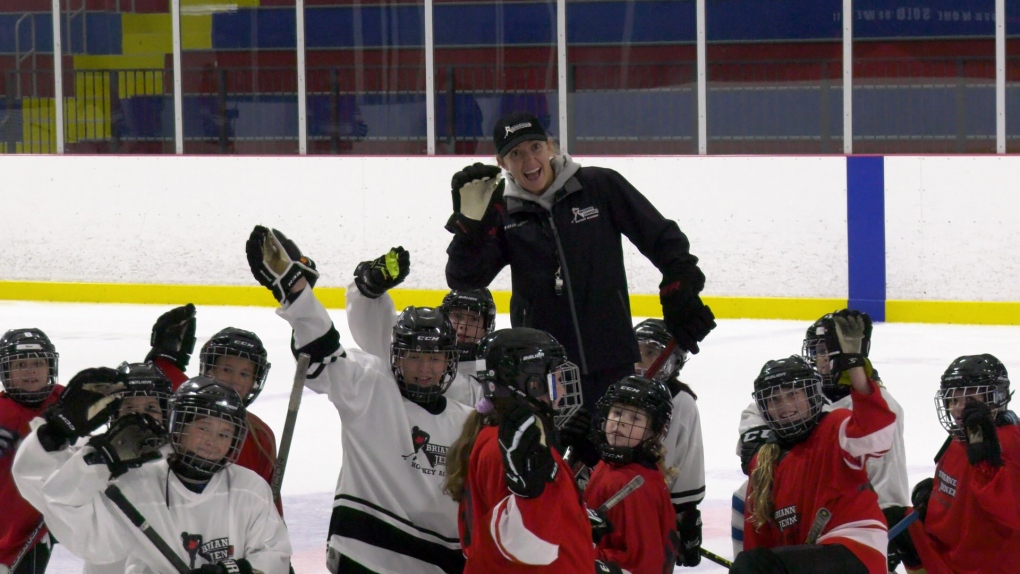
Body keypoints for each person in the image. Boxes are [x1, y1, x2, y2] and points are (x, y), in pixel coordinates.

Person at [444, 111, 716, 464]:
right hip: (541, 375)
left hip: (610, 360)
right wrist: (469, 230)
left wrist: (680, 290)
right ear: (502, 163)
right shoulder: (502, 212)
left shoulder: (600, 186)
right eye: (515, 154)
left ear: (552, 146)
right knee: (546, 472)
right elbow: (465, 280)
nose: (529, 161)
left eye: (535, 147)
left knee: (610, 467)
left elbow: (663, 238)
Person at [246, 225, 473, 574]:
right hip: (364, 553)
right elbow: (322, 355)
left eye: (434, 358)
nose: (424, 368)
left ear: (449, 361)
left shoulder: (467, 419)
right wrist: (297, 292)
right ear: (395, 355)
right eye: (414, 356)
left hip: (440, 564)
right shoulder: (370, 386)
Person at [13, 372, 291, 573]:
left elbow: (274, 554)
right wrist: (58, 437)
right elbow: (51, 493)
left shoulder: (247, 487)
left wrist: (232, 570)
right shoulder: (122, 476)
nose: (212, 440)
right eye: (203, 428)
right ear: (179, 424)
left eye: (224, 433)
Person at [731, 309, 910, 570]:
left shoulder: (849, 417)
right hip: (804, 530)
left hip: (849, 536)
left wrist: (890, 526)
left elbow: (880, 457)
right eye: (816, 350)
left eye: (827, 349)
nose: (821, 358)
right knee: (745, 498)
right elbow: (755, 427)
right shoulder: (804, 391)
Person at [443, 327, 609, 572]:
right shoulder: (505, 450)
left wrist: (575, 517)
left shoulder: (520, 443)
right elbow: (526, 544)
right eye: (556, 380)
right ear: (531, 384)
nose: (562, 391)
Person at [145, 304, 283, 514]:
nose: (235, 381)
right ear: (208, 370)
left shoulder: (261, 437)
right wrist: (164, 359)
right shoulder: (182, 412)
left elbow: (269, 508)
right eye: (227, 369)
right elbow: (160, 392)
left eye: (245, 374)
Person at [888, 355, 1020, 573]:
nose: (958, 408)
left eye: (969, 400)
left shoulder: (1009, 443)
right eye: (954, 400)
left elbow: (1010, 514)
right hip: (950, 551)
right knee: (891, 521)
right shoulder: (963, 437)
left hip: (983, 564)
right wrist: (935, 497)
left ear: (996, 396)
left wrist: (987, 466)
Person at [346, 245, 497, 407]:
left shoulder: (493, 374)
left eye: (474, 320)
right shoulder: (411, 351)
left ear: (487, 327)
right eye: (457, 316)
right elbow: (374, 330)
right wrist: (368, 288)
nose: (463, 326)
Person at [585, 375, 679, 573]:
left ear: (652, 432)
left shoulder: (633, 486)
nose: (621, 422)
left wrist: (579, 554)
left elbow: (642, 564)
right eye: (617, 412)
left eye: (635, 418)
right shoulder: (610, 464)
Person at [633, 318, 705, 568]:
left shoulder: (681, 402)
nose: (639, 361)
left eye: (651, 353)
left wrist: (686, 517)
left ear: (673, 362)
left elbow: (687, 464)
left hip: (652, 516)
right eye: (636, 351)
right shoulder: (615, 391)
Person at [0, 329, 61, 574]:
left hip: (37, 529)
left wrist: (164, 362)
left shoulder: (64, 401)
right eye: (21, 364)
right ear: (6, 371)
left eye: (38, 363)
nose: (31, 371)